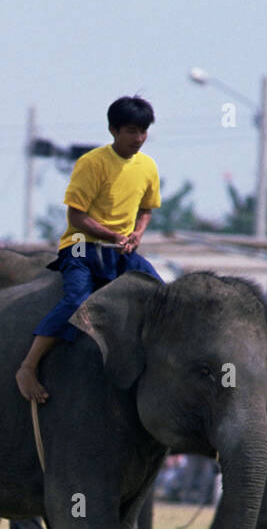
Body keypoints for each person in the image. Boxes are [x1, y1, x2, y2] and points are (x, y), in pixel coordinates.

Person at [15, 96, 163, 402]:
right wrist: (111, 235)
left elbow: (147, 209)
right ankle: (27, 367)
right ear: (113, 130)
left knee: (164, 298)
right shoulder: (92, 163)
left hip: (121, 250)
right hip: (82, 245)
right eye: (131, 131)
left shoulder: (148, 167)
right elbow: (76, 217)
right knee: (78, 300)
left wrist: (137, 232)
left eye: (143, 131)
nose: (138, 138)